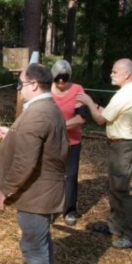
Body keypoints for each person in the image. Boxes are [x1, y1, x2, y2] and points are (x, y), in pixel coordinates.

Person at [0, 64, 68, 264]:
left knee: (34, 249)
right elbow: (33, 143)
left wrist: (6, 189)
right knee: (41, 243)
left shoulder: (38, 113)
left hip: (37, 193)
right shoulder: (46, 109)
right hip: (43, 190)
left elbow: (26, 162)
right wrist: (11, 135)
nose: (20, 89)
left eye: (21, 84)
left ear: (34, 84)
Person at [76, 58, 132, 249]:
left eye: (114, 71)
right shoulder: (127, 92)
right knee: (113, 187)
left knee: (120, 190)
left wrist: (88, 101)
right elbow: (110, 115)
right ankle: (114, 226)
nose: (111, 74)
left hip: (123, 146)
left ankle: (131, 235)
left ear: (126, 74)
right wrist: (99, 109)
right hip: (118, 144)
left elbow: (101, 120)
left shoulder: (126, 94)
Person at [51, 59, 88, 226]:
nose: (60, 83)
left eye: (64, 79)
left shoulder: (77, 90)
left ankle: (69, 210)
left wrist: (61, 126)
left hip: (72, 140)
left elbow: (81, 117)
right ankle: (51, 207)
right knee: (52, 175)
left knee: (70, 175)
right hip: (51, 142)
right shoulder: (47, 90)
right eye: (57, 79)